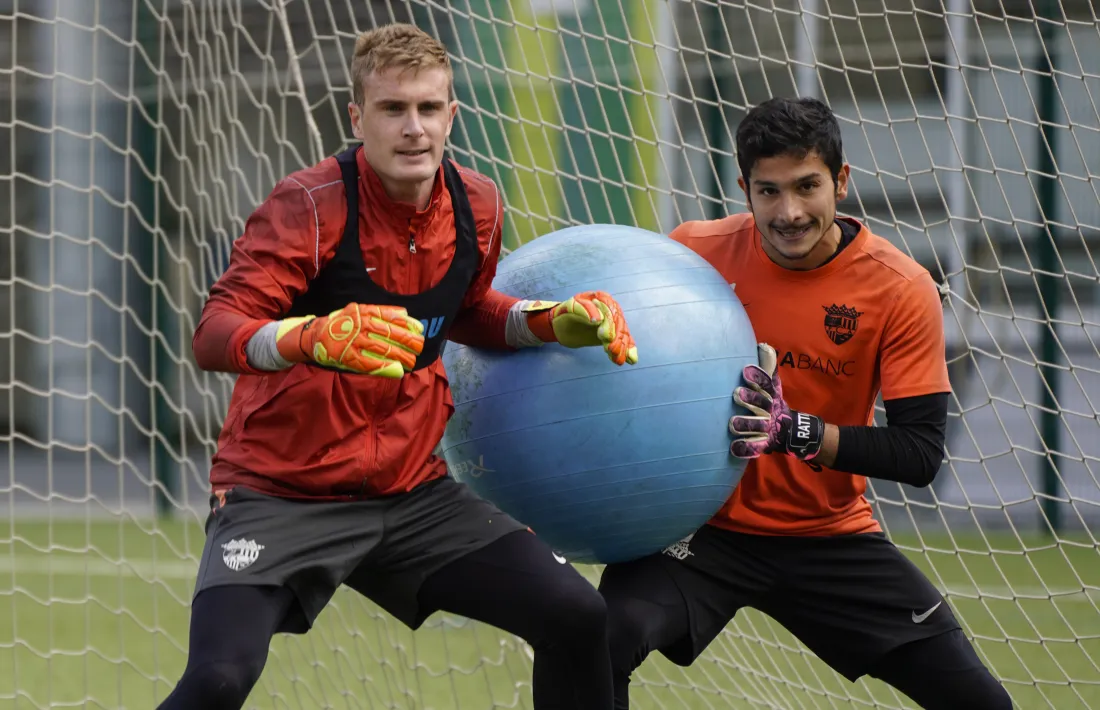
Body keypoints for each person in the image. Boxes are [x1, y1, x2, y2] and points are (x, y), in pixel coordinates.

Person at [159, 22, 638, 710]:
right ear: (358, 118)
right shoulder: (309, 206)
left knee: (577, 614)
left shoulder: (478, 203)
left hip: (414, 496)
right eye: (392, 109)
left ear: (452, 114)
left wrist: (548, 322)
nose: (412, 128)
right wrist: (308, 338)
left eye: (427, 108)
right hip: (282, 493)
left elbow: (465, 312)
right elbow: (215, 333)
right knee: (218, 678)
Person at [598, 97, 1012, 710]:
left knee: (982, 703)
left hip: (827, 536)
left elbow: (920, 454)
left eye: (806, 187)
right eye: (768, 191)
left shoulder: (900, 288)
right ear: (743, 188)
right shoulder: (691, 254)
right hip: (703, 530)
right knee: (595, 637)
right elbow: (627, 377)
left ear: (841, 182)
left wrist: (795, 432)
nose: (789, 212)